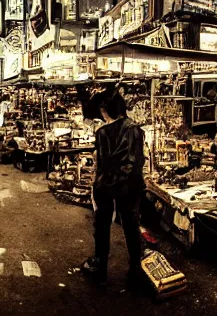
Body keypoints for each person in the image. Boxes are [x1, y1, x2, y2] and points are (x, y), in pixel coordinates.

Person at [82, 91, 145, 288]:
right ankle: (136, 269)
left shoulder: (101, 133)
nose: (102, 114)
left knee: (102, 227)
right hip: (130, 185)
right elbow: (137, 160)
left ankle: (100, 268)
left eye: (102, 110)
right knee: (131, 227)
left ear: (106, 110)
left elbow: (101, 163)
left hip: (106, 185)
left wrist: (97, 183)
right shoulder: (135, 130)